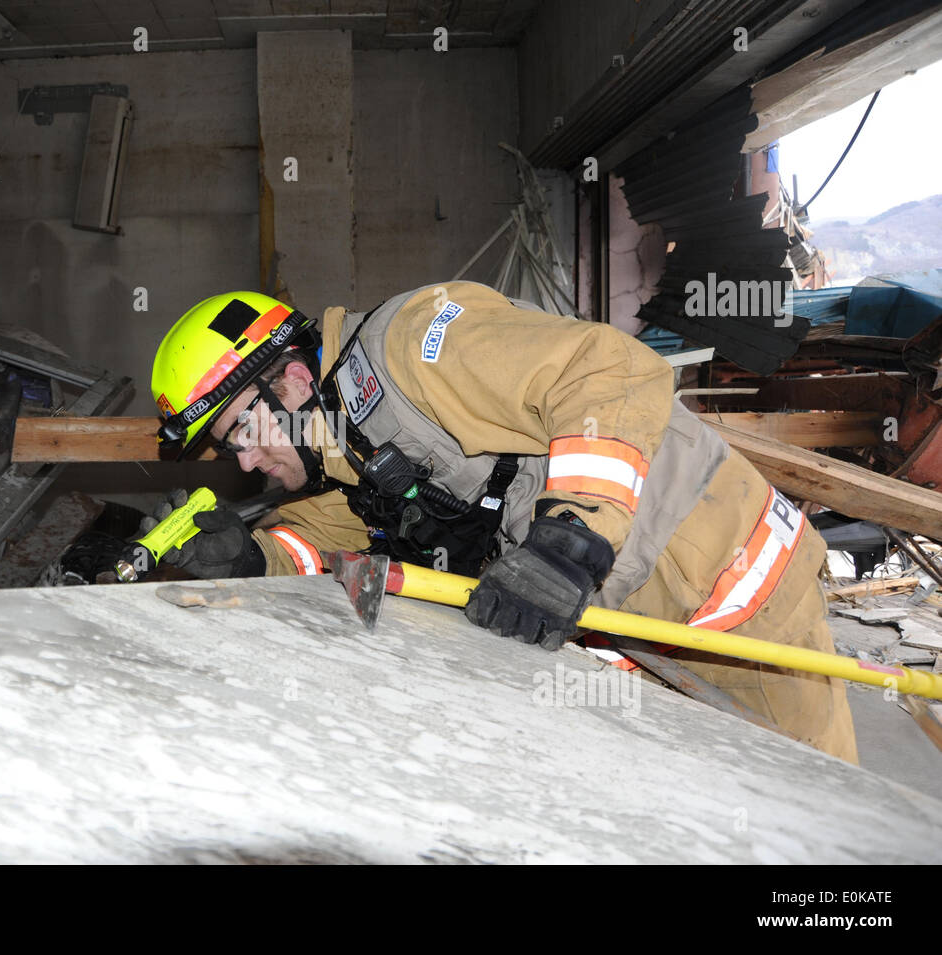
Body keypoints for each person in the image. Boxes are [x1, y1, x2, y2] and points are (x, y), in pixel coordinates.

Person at [149, 282, 858, 763]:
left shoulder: (413, 344)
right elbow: (325, 541)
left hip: (737, 588)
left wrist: (568, 539)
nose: (243, 463)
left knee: (818, 827)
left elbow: (608, 369)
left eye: (242, 431)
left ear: (293, 381)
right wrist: (253, 558)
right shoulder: (340, 449)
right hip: (632, 637)